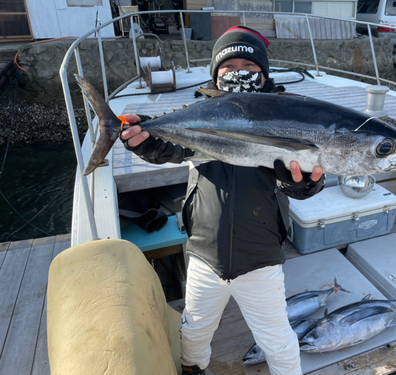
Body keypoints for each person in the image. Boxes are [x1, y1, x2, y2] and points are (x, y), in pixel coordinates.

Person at [120, 26, 325, 375]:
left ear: (265, 73)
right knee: (195, 330)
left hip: (259, 257)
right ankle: (193, 369)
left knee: (277, 339)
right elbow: (169, 148)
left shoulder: (286, 117)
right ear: (215, 74)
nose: (238, 72)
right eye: (228, 67)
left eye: (248, 64)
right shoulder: (200, 116)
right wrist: (143, 140)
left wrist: (304, 185)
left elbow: (302, 182)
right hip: (204, 253)